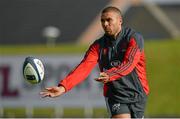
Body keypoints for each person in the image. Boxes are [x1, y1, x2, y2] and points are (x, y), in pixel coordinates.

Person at [40, 6, 149, 118]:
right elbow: (83, 67)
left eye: (109, 20)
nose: (105, 24)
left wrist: (110, 74)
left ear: (120, 21)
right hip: (115, 94)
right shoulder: (98, 46)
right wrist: (63, 87)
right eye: (102, 20)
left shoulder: (134, 38)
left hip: (137, 93)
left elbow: (129, 63)